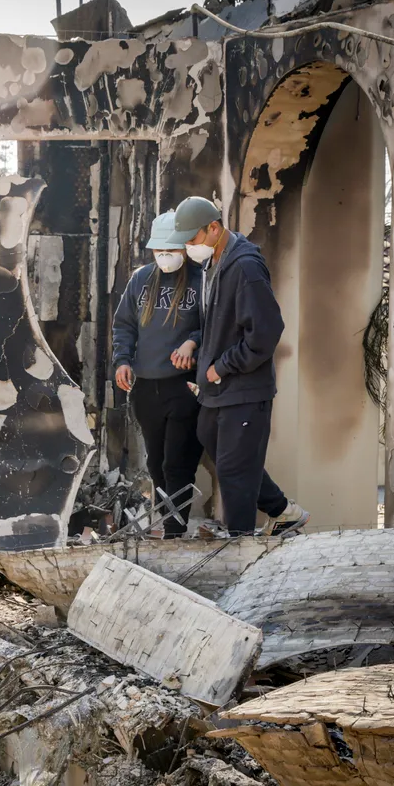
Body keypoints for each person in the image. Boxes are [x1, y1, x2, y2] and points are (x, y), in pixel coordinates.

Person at [165, 196, 310, 537]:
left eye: (192, 239)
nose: (188, 247)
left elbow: (266, 331)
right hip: (216, 389)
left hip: (243, 389)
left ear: (213, 228)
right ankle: (282, 511)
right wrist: (198, 349)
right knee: (217, 447)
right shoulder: (211, 264)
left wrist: (221, 367)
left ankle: (240, 546)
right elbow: (219, 323)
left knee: (234, 470)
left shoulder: (245, 266)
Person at [112, 211, 206, 538]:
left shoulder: (203, 280)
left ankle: (174, 530)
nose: (164, 256)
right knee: (155, 464)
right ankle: (169, 523)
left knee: (176, 462)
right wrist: (122, 360)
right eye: (159, 250)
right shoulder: (140, 280)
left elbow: (218, 327)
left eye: (171, 249)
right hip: (146, 387)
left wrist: (194, 341)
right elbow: (124, 325)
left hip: (185, 386)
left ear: (185, 247)